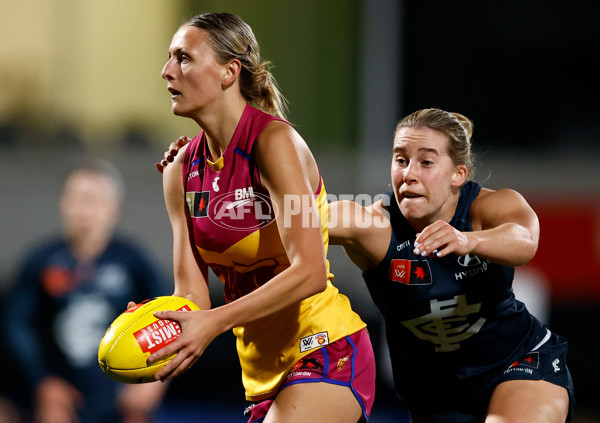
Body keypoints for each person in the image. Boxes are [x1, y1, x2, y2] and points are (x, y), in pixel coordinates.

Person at [150, 12, 375, 423]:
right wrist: (153, 322)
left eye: (183, 58)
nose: (166, 72)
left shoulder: (273, 142)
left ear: (228, 72)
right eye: (169, 58)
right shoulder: (180, 170)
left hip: (325, 347)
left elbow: (310, 273)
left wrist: (213, 322)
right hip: (262, 377)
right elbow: (193, 299)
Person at [326, 108, 574, 422]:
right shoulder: (375, 225)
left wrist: (468, 240)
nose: (409, 174)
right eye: (401, 160)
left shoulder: (490, 206)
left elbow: (524, 240)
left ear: (458, 173)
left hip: (519, 361)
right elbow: (300, 219)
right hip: (435, 397)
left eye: (426, 162)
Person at [4, 159, 169, 423]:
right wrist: (42, 383)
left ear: (114, 208)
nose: (85, 210)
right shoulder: (40, 261)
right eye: (78, 198)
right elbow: (17, 328)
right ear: (63, 203)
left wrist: (157, 381)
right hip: (60, 395)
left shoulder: (134, 262)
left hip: (122, 397)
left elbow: (171, 322)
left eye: (95, 200)